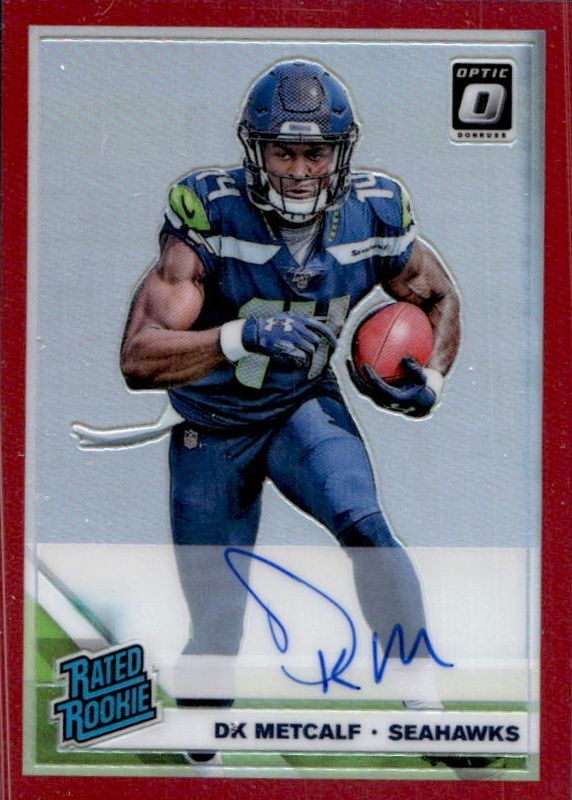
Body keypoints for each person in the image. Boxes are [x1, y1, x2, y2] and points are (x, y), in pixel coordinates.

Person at [119, 60, 461, 765]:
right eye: (283, 151)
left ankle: (425, 706)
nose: (300, 170)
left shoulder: (374, 211)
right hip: (213, 424)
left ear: (341, 153)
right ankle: (202, 751)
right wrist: (238, 335)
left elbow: (436, 296)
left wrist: (432, 376)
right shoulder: (210, 211)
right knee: (218, 620)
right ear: (256, 150)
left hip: (301, 407)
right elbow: (139, 356)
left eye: (316, 153)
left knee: (367, 529)